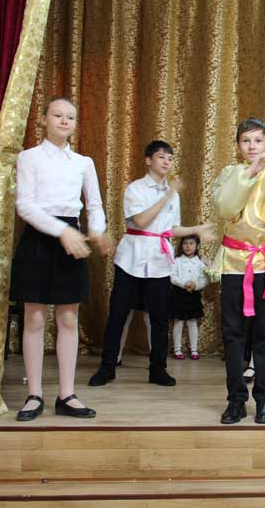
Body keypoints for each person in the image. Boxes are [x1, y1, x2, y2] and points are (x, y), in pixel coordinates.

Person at [11, 97, 111, 421]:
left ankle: (66, 394)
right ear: (43, 119)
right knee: (35, 318)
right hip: (39, 238)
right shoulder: (28, 158)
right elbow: (25, 206)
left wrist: (96, 232)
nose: (65, 121)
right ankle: (34, 394)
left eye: (71, 116)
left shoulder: (83, 162)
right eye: (57, 115)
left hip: (72, 239)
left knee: (68, 319)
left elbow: (94, 206)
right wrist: (61, 232)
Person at [88, 140, 214, 388]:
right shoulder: (135, 189)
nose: (167, 162)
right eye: (161, 157)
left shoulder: (173, 194)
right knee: (118, 315)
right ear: (148, 160)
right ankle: (107, 367)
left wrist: (196, 229)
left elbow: (171, 229)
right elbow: (142, 221)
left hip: (159, 261)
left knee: (159, 317)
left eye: (170, 158)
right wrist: (166, 195)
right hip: (131, 260)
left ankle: (158, 369)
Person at [209, 118, 265, 424]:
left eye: (258, 141)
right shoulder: (230, 173)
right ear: (238, 146)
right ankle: (235, 400)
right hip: (234, 263)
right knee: (233, 334)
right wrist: (250, 172)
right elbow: (226, 207)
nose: (252, 146)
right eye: (246, 141)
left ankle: (264, 400)